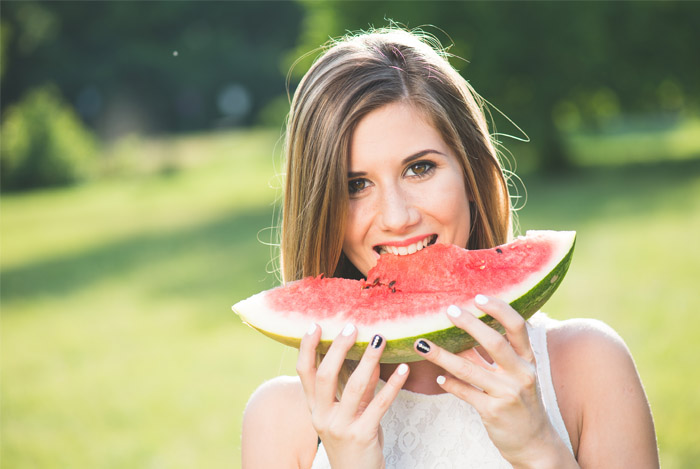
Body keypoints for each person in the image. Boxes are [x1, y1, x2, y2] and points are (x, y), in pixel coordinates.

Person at [241, 27, 659, 468]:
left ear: (472, 173)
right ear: (321, 207)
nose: (397, 216)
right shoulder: (280, 421)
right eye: (356, 185)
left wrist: (540, 450)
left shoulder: (587, 367)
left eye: (420, 168)